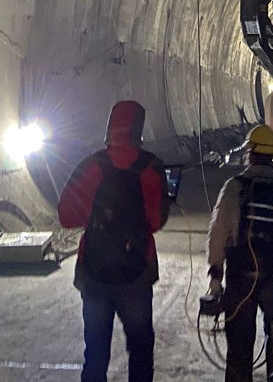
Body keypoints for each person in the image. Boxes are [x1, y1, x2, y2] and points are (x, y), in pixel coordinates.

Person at [58, 101, 170, 382]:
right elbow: (156, 221)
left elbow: (66, 216)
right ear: (139, 128)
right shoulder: (151, 167)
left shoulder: (91, 165)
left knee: (95, 353)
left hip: (94, 273)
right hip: (136, 274)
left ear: (110, 126)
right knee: (140, 351)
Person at [206, 124, 273, 382]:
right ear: (272, 155)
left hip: (240, 278)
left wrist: (216, 274)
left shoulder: (233, 188)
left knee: (239, 345)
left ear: (250, 154)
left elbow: (218, 232)